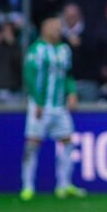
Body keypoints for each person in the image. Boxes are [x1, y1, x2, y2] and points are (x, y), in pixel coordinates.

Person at [20, 16, 86, 201]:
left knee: (68, 142)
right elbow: (30, 77)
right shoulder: (36, 49)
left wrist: (71, 93)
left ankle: (63, 185)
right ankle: (27, 186)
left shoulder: (64, 50)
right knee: (32, 145)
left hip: (59, 106)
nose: (58, 31)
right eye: (54, 27)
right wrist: (38, 101)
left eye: (59, 27)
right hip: (40, 106)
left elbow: (68, 75)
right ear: (44, 29)